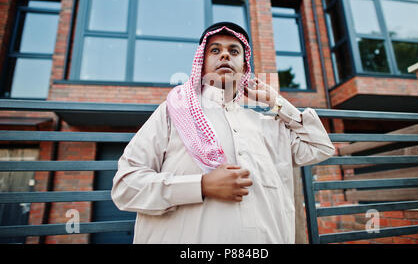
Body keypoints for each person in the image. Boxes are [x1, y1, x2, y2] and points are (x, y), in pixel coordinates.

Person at [111, 21, 335, 244]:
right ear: (201, 63)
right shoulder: (174, 112)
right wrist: (201, 186)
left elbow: (319, 147)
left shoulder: (266, 124)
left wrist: (275, 102)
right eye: (215, 50)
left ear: (245, 68)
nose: (225, 56)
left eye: (234, 51)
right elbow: (126, 187)